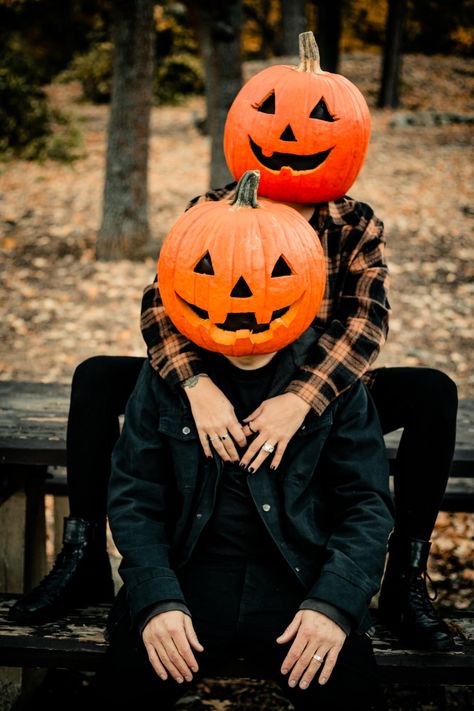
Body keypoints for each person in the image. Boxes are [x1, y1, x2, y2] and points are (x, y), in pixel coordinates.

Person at [9, 181, 458, 653]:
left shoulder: (354, 222)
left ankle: (406, 576)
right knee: (98, 377)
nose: (289, 140)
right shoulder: (212, 209)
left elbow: (365, 321)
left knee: (433, 391)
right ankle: (83, 555)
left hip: (325, 381)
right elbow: (166, 302)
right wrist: (196, 386)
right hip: (216, 367)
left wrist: (302, 398)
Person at [89, 318, 394, 710]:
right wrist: (156, 600)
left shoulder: (333, 376)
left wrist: (333, 606)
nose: (248, 332)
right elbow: (135, 498)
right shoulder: (168, 374)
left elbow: (365, 506)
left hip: (299, 581)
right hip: (188, 578)